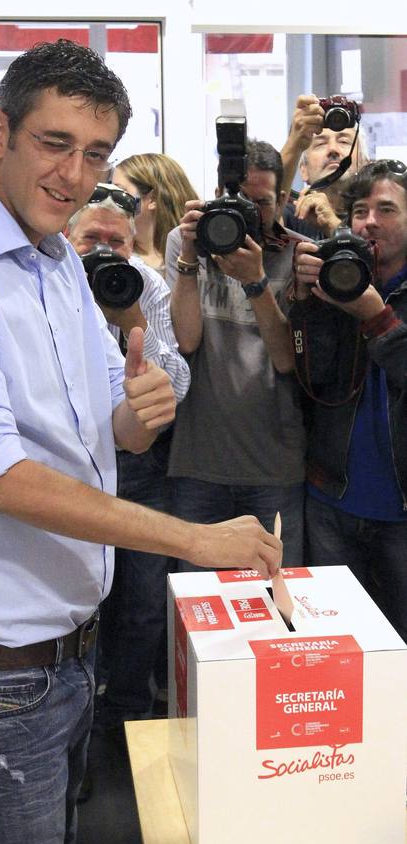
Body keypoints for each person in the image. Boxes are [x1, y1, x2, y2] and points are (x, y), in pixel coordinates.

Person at [0, 40, 281, 844]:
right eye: (55, 143)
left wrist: (138, 415)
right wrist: (191, 539)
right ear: (0, 132)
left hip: (69, 651)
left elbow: (115, 434)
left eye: (95, 153)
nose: (74, 174)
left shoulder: (62, 261)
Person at [68, 187, 190, 729]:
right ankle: (78, 720)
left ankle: (128, 720)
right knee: (83, 604)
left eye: (114, 241)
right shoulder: (49, 287)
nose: (102, 250)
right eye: (89, 238)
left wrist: (133, 315)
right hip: (69, 469)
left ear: (131, 245)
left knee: (143, 603)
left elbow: (178, 385)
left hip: (141, 468)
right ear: (67, 240)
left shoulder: (148, 284)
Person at [168, 140, 306, 568]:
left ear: (283, 200)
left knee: (274, 600)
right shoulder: (185, 240)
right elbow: (186, 340)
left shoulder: (299, 254)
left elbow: (287, 360)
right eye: (239, 200)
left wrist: (256, 281)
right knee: (196, 603)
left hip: (273, 465)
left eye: (262, 203)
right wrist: (191, 255)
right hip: (198, 462)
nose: (247, 214)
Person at [291, 158, 407, 644]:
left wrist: (376, 315)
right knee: (337, 646)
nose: (370, 222)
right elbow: (310, 380)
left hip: (401, 509)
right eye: (360, 210)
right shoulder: (340, 279)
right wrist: (309, 303)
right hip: (331, 497)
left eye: (386, 209)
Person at [281, 93, 368, 239]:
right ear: (303, 170)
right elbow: (269, 211)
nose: (333, 149)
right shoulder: (293, 215)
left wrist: (331, 224)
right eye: (320, 144)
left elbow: (378, 258)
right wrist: (295, 142)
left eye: (344, 142)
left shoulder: (375, 214)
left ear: (365, 162)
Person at [113, 152, 199, 275]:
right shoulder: (116, 256)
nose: (109, 200)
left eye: (120, 191)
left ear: (152, 199)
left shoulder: (195, 255)